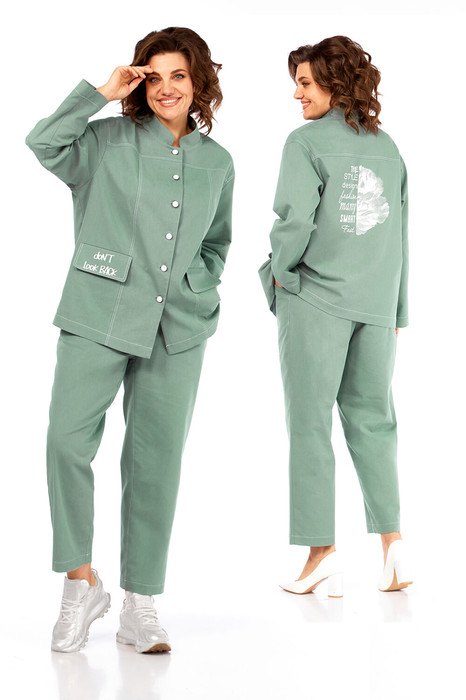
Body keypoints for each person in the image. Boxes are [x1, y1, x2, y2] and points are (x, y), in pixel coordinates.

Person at [26, 26, 234, 653]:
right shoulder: (103, 140)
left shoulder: (218, 162)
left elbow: (217, 241)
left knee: (155, 463)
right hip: (99, 309)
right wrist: (100, 92)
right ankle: (80, 585)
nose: (167, 88)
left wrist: (198, 285)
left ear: (197, 82)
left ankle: (140, 606)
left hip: (178, 326)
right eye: (155, 74)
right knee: (66, 441)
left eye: (179, 75)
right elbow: (43, 141)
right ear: (140, 80)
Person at [259, 36, 412, 597]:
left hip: (316, 299)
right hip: (377, 304)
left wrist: (278, 272)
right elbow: (400, 235)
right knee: (375, 422)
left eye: (304, 82)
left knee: (309, 423)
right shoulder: (389, 148)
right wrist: (397, 308)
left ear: (333, 82)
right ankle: (394, 547)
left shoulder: (303, 143)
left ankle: (321, 553)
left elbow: (293, 220)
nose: (297, 94)